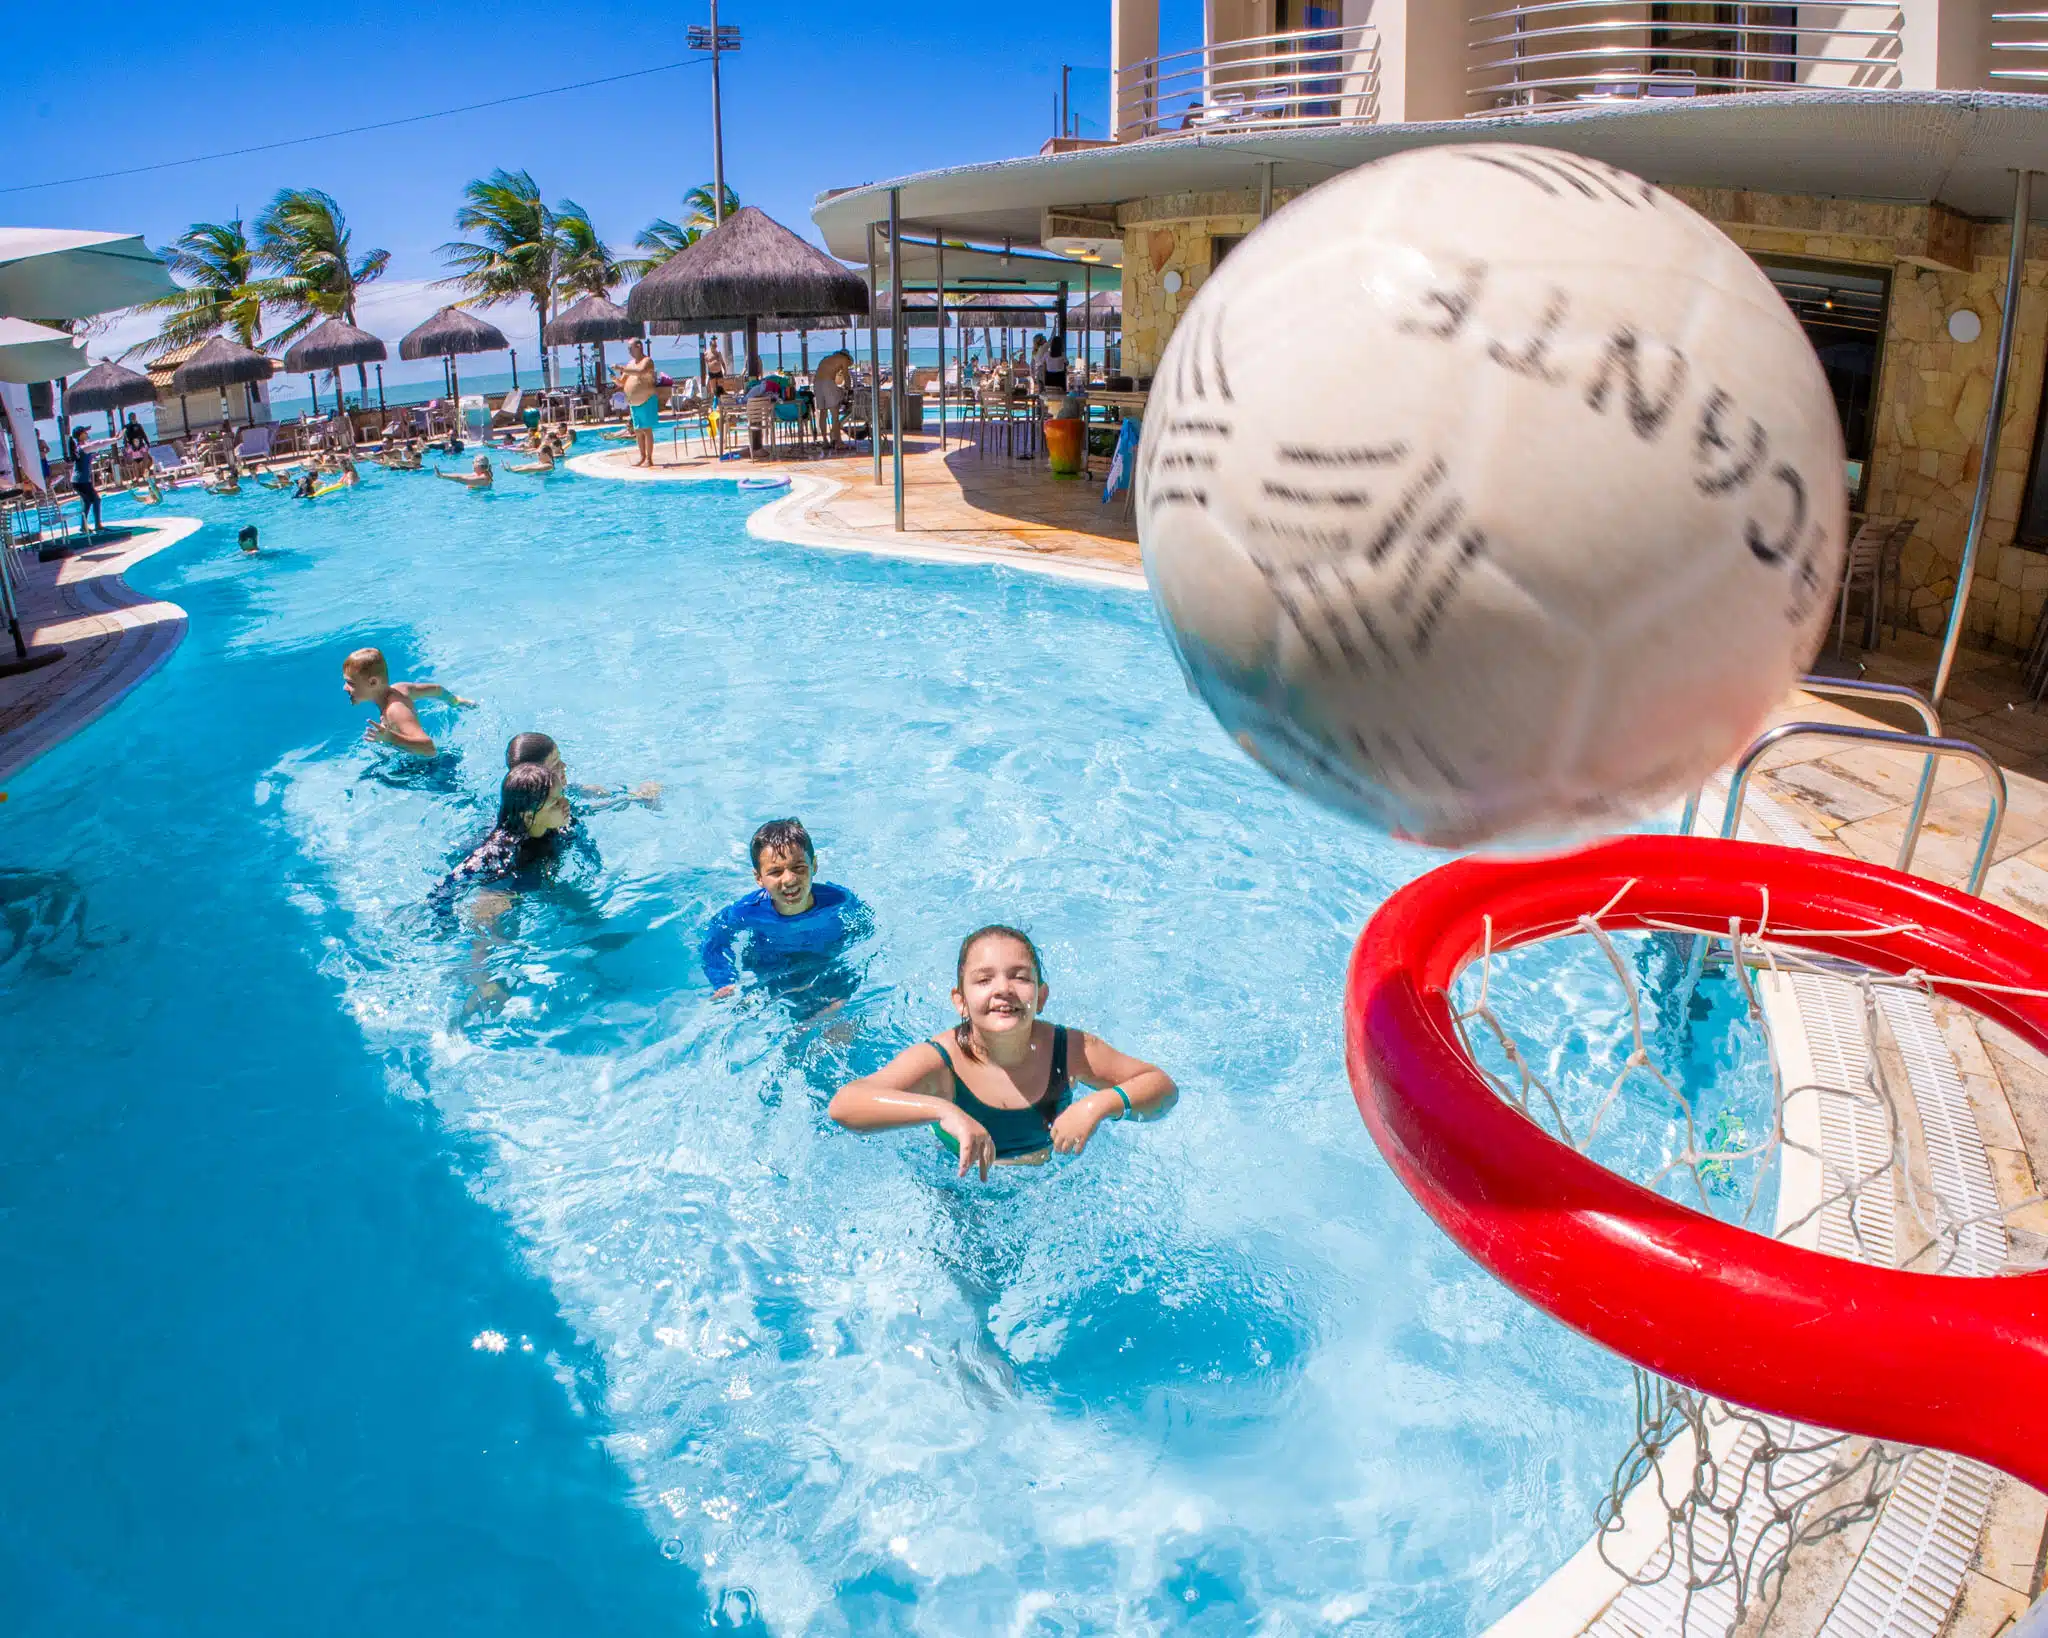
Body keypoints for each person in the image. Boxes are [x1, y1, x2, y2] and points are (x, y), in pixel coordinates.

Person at [828, 925, 1177, 1179]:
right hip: (961, 1189)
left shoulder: (1068, 1049)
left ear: (1040, 997)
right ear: (960, 1002)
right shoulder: (940, 1062)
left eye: (1020, 978)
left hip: (1049, 1183)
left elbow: (1161, 1087)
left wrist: (1099, 1105)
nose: (1003, 990)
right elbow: (845, 1104)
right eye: (984, 980)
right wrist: (943, 1111)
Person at [701, 817, 871, 1000]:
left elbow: (865, 926)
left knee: (839, 1003)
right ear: (759, 878)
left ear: (814, 865)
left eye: (798, 868)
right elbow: (715, 940)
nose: (789, 880)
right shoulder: (748, 911)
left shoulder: (838, 900)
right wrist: (725, 980)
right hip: (772, 965)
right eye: (775, 872)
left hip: (825, 960)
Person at [429, 762, 577, 909]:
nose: (566, 803)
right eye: (555, 803)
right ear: (528, 815)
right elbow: (446, 888)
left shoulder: (564, 825)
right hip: (498, 886)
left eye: (562, 795)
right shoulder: (499, 852)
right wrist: (446, 924)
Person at [342, 646, 475, 756]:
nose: (345, 688)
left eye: (350, 683)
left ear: (373, 682)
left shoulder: (395, 710)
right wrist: (455, 701)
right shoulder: (399, 689)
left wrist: (391, 738)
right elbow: (436, 689)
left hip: (431, 768)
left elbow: (429, 747)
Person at [505, 730, 660, 814]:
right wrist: (636, 799)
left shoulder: (568, 790)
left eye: (560, 759)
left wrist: (632, 793)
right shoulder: (546, 814)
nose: (564, 766)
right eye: (555, 764)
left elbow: (601, 793)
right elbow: (592, 809)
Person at [612, 338, 660, 468]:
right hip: (634, 403)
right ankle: (642, 457)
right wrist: (615, 379)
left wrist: (621, 368)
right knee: (638, 430)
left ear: (638, 346)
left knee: (646, 430)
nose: (628, 351)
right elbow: (622, 382)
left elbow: (640, 372)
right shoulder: (630, 364)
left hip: (646, 399)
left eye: (630, 347)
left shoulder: (647, 361)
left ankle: (649, 458)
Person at [67, 427, 103, 532]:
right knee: (96, 500)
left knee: (87, 502)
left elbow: (84, 460)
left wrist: (92, 456)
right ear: (80, 435)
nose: (87, 433)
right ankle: (98, 525)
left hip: (79, 481)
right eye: (85, 432)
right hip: (81, 481)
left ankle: (83, 527)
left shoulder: (80, 447)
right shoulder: (83, 447)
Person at [121, 415, 151, 480]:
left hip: (140, 445)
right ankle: (137, 478)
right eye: (132, 417)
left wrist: (147, 443)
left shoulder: (139, 425)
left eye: (134, 417)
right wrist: (126, 445)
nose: (133, 418)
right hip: (132, 446)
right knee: (135, 465)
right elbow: (125, 437)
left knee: (145, 462)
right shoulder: (127, 427)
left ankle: (144, 476)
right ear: (129, 418)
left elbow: (143, 434)